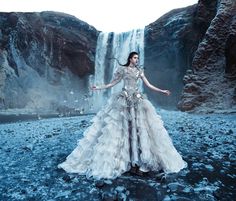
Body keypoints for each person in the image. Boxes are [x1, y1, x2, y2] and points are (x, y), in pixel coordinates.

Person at [57, 51, 187, 179]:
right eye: (135, 58)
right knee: (122, 127)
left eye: (137, 58)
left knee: (139, 128)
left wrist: (162, 90)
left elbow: (148, 85)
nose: (137, 60)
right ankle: (124, 161)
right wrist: (99, 87)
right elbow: (112, 83)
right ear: (130, 58)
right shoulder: (123, 70)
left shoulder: (139, 71)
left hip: (137, 99)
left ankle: (137, 161)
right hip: (124, 100)